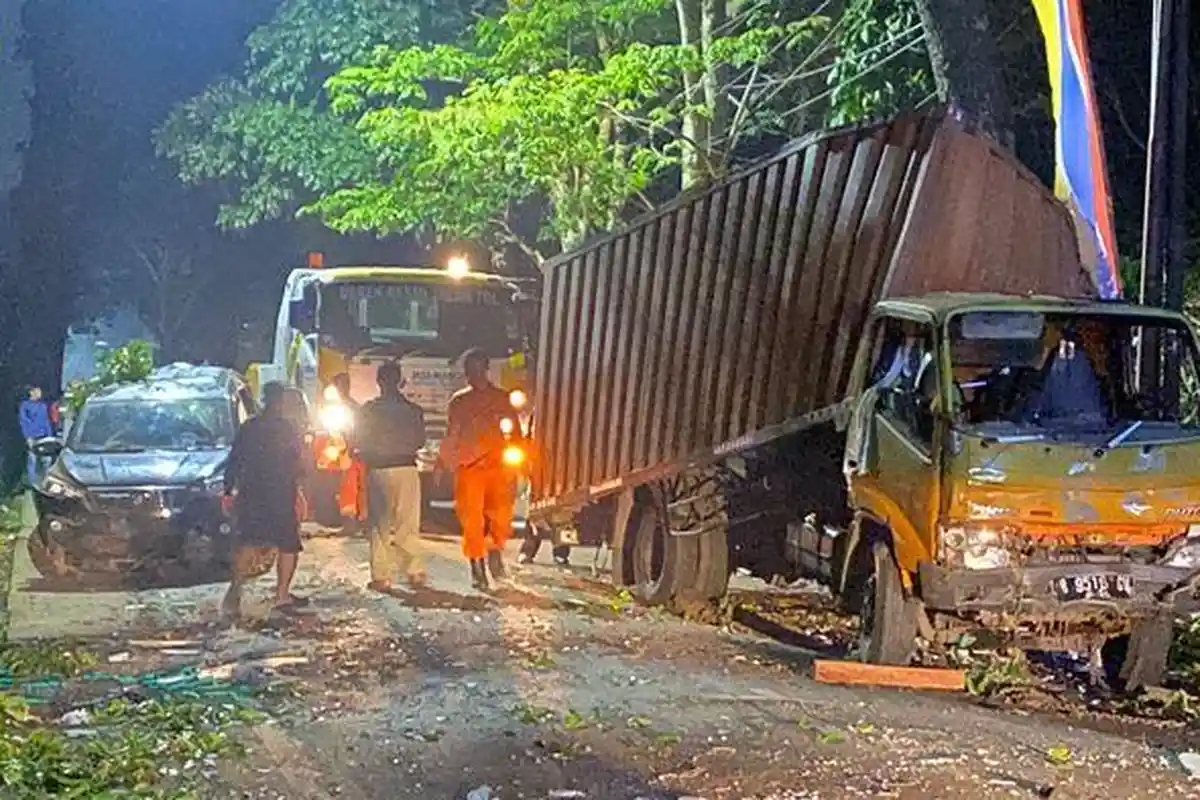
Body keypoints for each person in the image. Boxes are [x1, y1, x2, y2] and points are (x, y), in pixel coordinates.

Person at [221, 381, 308, 618]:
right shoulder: (288, 428)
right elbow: (297, 464)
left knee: (249, 541)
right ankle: (282, 595)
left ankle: (235, 590)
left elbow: (234, 460)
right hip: (281, 493)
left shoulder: (249, 427)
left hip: (251, 492)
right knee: (288, 544)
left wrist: (228, 490)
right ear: (281, 401)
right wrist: (299, 492)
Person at [440, 349, 519, 590]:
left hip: (498, 468)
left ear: (485, 370)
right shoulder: (459, 402)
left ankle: (494, 554)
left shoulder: (502, 399)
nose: (473, 375)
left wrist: (520, 463)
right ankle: (477, 566)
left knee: (500, 518)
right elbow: (451, 434)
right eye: (469, 371)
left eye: (477, 370)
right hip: (469, 469)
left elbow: (515, 434)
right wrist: (443, 462)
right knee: (472, 521)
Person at [356, 361, 428, 592]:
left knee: (380, 526)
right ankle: (414, 571)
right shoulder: (413, 410)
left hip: (379, 470)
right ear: (400, 381)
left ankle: (381, 576)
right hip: (407, 469)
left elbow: (358, 439)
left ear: (379, 382)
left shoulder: (368, 410)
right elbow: (420, 441)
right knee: (408, 522)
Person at [18, 385, 54, 487]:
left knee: (46, 460)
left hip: (44, 436)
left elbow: (46, 421)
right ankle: (32, 484)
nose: (40, 393)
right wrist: (28, 437)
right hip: (32, 437)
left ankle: (45, 482)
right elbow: (24, 422)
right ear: (31, 392)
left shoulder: (42, 406)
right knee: (32, 459)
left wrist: (50, 435)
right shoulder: (25, 406)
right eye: (37, 390)